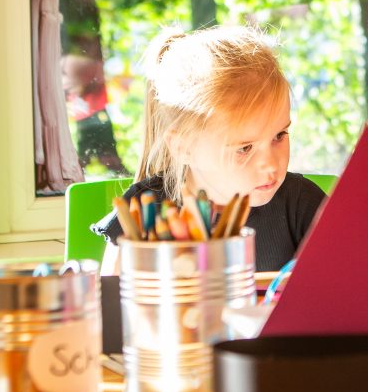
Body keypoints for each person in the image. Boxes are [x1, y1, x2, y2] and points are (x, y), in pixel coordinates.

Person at [92, 26, 323, 271]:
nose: (271, 162)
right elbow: (110, 303)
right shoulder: (143, 213)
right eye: (244, 148)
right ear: (184, 147)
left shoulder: (302, 203)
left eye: (279, 135)